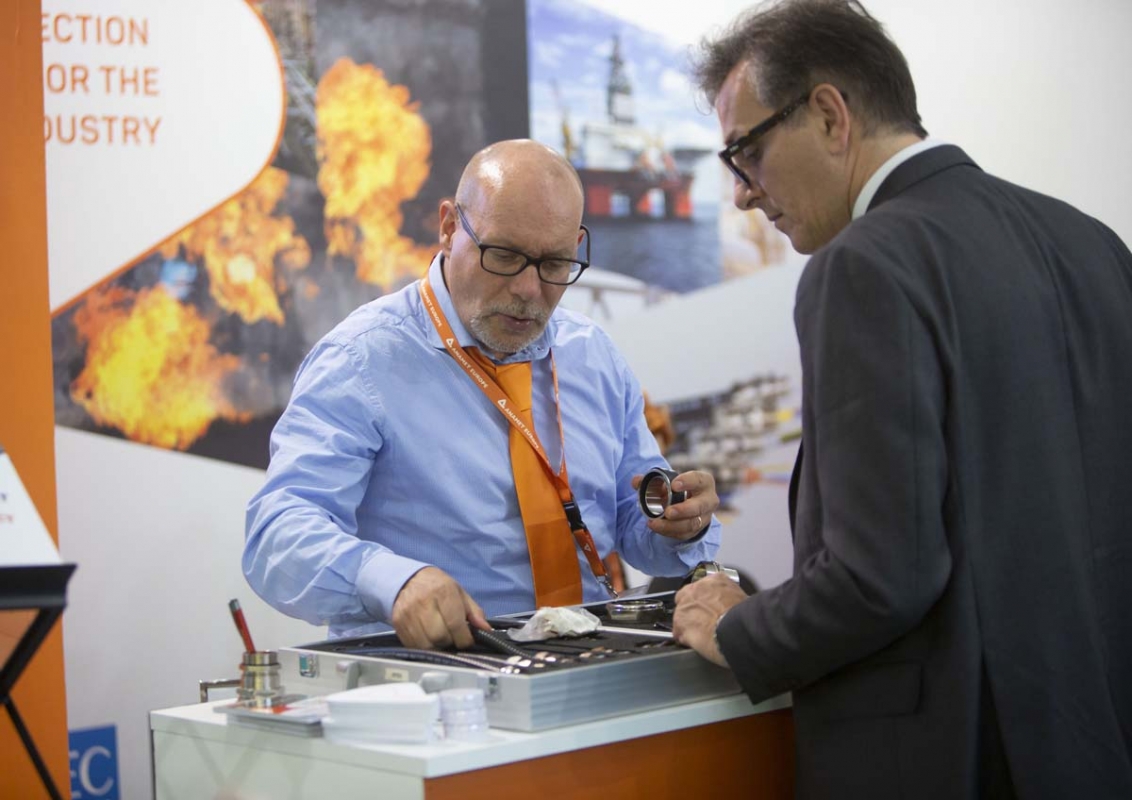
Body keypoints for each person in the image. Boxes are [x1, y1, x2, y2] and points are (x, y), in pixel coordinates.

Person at [671, 1, 1132, 798]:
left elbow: (881, 575)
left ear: (829, 115)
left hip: (953, 755)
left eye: (746, 152)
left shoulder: (864, 265)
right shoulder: (1092, 242)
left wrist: (739, 626)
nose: (742, 194)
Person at [245, 139, 721, 650]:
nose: (529, 289)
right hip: (438, 677)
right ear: (450, 227)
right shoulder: (361, 360)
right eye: (505, 256)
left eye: (555, 264)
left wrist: (681, 522)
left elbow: (636, 526)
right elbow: (277, 536)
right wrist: (393, 582)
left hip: (587, 660)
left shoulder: (593, 356)